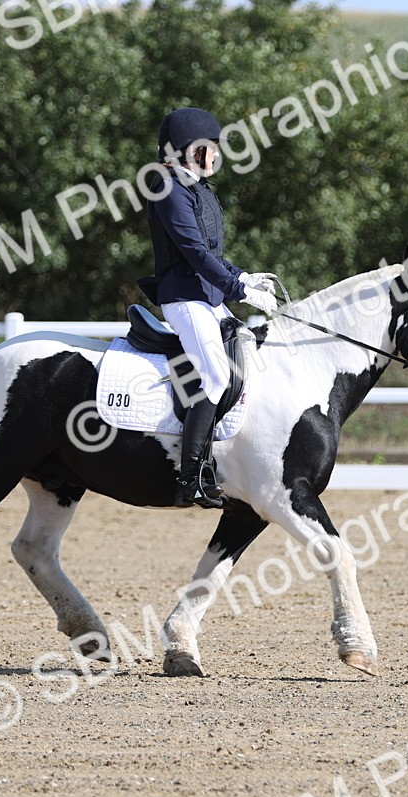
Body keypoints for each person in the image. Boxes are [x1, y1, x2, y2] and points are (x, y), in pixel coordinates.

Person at [137, 108, 279, 509]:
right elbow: (194, 252)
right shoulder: (165, 186)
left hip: (207, 297)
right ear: (191, 150)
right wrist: (239, 290)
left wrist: (245, 276)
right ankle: (190, 477)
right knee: (217, 375)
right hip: (184, 299)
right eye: (210, 148)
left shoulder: (197, 189)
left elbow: (213, 252)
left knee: (248, 359)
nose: (216, 155)